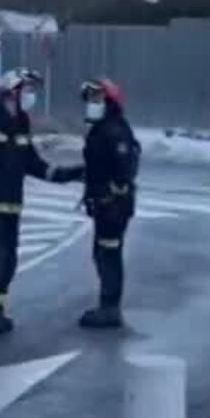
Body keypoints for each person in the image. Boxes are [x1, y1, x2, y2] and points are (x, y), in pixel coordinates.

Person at [0, 68, 80, 335]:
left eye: (32, 90)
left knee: (9, 261)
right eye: (27, 89)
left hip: (12, 206)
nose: (31, 95)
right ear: (12, 90)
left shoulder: (21, 121)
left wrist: (68, 174)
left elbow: (32, 162)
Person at [71, 78, 141, 329]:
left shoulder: (113, 129)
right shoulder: (103, 128)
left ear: (110, 101)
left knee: (108, 254)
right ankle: (107, 305)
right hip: (106, 202)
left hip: (113, 204)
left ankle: (110, 308)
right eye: (90, 99)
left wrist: (112, 192)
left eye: (97, 98)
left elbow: (125, 166)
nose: (92, 104)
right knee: (103, 253)